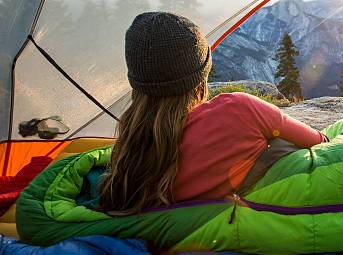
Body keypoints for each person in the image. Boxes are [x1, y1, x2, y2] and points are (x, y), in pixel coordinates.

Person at [98, 12, 327, 213]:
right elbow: (320, 142)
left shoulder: (130, 155)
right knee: (284, 147)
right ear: (201, 79)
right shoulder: (239, 109)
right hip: (257, 224)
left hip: (187, 248)